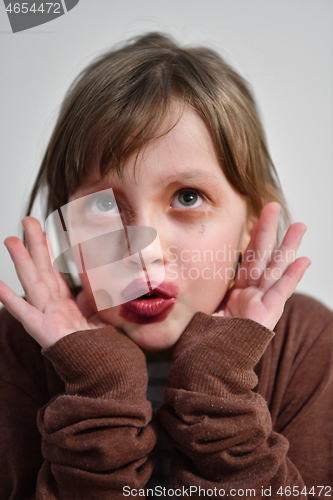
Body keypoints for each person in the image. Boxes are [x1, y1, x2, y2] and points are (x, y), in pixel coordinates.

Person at [0, 32, 332, 500]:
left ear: (249, 225)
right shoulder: (18, 346)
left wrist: (217, 387)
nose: (144, 251)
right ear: (67, 232)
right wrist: (100, 387)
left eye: (188, 198)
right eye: (103, 208)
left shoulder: (309, 341)